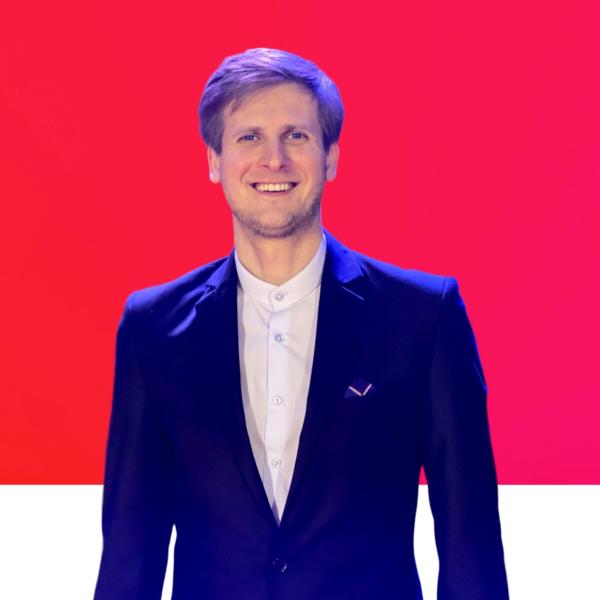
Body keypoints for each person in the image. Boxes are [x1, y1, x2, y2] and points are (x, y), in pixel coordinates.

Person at [94, 47, 509, 599]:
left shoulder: (422, 317)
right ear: (214, 160)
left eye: (296, 136)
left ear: (330, 157)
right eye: (249, 137)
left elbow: (470, 542)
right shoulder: (153, 328)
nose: (274, 160)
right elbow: (130, 549)